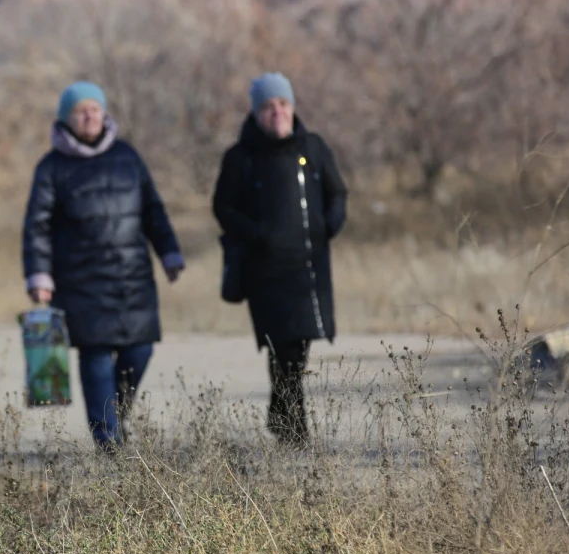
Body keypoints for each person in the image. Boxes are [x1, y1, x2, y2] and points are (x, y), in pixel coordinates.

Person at [22, 81, 185, 452]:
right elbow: (38, 226)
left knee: (139, 349)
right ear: (66, 119)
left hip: (133, 276)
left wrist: (170, 253)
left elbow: (152, 210)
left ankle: (115, 416)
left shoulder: (127, 156)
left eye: (95, 109)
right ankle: (107, 441)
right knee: (95, 354)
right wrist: (39, 275)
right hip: (79, 279)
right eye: (80, 110)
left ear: (104, 113)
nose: (89, 115)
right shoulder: (52, 167)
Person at [211, 72, 348, 448]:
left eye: (283, 105)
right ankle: (295, 430)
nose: (277, 113)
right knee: (283, 347)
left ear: (292, 107)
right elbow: (222, 207)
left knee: (298, 348)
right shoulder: (240, 157)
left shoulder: (314, 147)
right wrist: (257, 234)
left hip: (308, 268)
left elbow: (338, 193)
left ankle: (281, 417)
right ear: (256, 113)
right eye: (268, 107)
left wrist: (327, 226)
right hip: (265, 270)